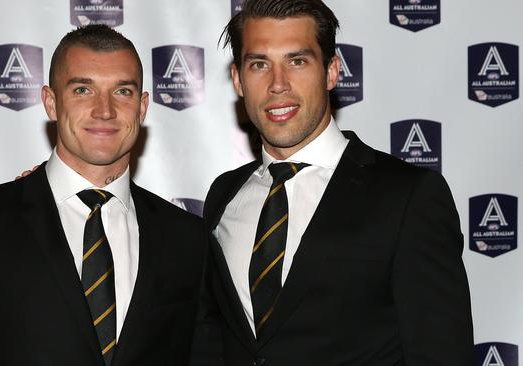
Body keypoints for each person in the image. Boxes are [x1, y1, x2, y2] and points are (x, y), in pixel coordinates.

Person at [197, 0, 475, 365]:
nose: (277, 84)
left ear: (331, 71)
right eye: (259, 64)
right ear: (237, 79)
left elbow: (442, 354)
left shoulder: (409, 196)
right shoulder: (224, 194)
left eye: (297, 61)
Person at [0, 25, 207, 366]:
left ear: (142, 108)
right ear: (51, 103)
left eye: (122, 92)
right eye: (83, 89)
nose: (105, 110)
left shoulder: (187, 237)